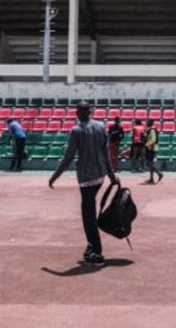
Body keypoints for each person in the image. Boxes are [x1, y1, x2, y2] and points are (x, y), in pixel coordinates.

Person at [48, 101, 119, 267]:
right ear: (91, 112)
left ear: (77, 113)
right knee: (89, 211)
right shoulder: (101, 127)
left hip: (86, 178)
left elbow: (68, 158)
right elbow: (106, 153)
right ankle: (91, 246)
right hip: (100, 175)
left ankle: (97, 251)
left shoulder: (76, 131)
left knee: (88, 215)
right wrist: (111, 175)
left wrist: (54, 176)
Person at [143, 118, 164, 184]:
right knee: (149, 163)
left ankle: (159, 174)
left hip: (151, 148)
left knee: (149, 163)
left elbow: (153, 140)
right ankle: (151, 178)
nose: (146, 123)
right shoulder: (148, 130)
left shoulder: (152, 130)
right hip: (149, 148)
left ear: (150, 122)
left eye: (147, 121)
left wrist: (146, 144)